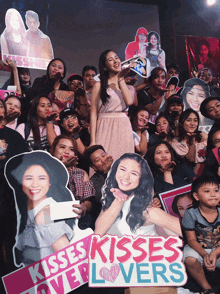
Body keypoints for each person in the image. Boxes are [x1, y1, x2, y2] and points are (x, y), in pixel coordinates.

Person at [5, 151, 76, 267]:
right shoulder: (18, 210)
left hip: (58, 279)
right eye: (28, 178)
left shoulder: (47, 213)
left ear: (50, 182)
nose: (35, 184)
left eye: (41, 178)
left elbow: (70, 260)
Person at [94, 153, 182, 237]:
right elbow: (98, 232)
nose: (126, 177)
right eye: (122, 169)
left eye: (134, 173)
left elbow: (185, 230)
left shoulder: (147, 210)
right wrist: (119, 200)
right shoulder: (111, 200)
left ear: (141, 179)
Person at [90, 50, 135, 161]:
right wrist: (92, 141)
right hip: (105, 126)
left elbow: (129, 102)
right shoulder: (99, 85)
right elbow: (93, 113)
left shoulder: (125, 85)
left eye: (116, 57)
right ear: (105, 67)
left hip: (123, 126)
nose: (116, 61)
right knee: (104, 162)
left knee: (124, 163)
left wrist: (121, 79)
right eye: (110, 59)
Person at [182, 175, 220, 294]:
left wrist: (215, 252)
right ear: (196, 196)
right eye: (207, 191)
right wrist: (204, 255)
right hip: (198, 249)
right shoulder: (191, 213)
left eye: (216, 190)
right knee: (189, 260)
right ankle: (207, 289)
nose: (213, 194)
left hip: (218, 249)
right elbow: (191, 240)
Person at [50, 134, 96, 228]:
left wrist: (84, 208)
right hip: (49, 217)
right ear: (53, 150)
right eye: (62, 147)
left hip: (75, 218)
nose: (67, 152)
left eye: (71, 149)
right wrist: (62, 167)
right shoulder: (44, 170)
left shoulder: (81, 173)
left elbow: (88, 200)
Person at [171, 109, 208, 174]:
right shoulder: (177, 142)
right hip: (187, 175)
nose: (192, 124)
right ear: (181, 123)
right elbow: (191, 159)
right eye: (188, 120)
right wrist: (191, 141)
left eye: (195, 120)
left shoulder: (203, 137)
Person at [59, 108, 90, 172]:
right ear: (62, 124)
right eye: (66, 118)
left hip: (83, 171)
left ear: (78, 120)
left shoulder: (85, 132)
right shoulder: (61, 137)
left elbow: (85, 155)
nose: (70, 120)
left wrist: (75, 135)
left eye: (73, 117)